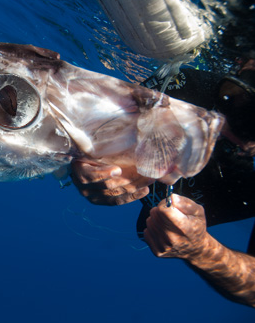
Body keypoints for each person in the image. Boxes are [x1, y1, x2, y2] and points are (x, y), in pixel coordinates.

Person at [71, 58, 255, 307]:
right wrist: (84, 157)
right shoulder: (186, 85)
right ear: (240, 67)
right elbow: (81, 118)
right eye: (243, 93)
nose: (239, 123)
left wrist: (201, 250)